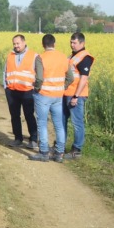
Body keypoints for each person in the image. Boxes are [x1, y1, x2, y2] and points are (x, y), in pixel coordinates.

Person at [30, 33, 72, 163]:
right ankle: (59, 154)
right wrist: (62, 87)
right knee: (59, 125)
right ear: (54, 44)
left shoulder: (40, 57)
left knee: (42, 123)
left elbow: (39, 78)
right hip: (58, 96)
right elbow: (71, 77)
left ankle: (44, 153)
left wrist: (37, 88)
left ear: (43, 45)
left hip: (43, 95)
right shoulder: (63, 57)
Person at [62, 32, 95, 160]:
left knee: (77, 123)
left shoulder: (85, 57)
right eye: (71, 42)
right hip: (66, 93)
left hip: (76, 95)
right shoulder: (72, 56)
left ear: (82, 43)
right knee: (62, 120)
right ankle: (60, 146)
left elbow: (83, 79)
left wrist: (76, 96)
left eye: (74, 43)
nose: (72, 45)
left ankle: (76, 150)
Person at [3, 34, 39, 150]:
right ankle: (18, 139)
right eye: (14, 44)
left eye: (18, 43)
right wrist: (6, 87)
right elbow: (5, 72)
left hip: (27, 91)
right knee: (15, 116)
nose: (16, 46)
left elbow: (39, 74)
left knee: (29, 115)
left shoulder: (34, 56)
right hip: (12, 91)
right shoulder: (10, 56)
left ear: (24, 42)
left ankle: (33, 139)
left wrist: (36, 89)